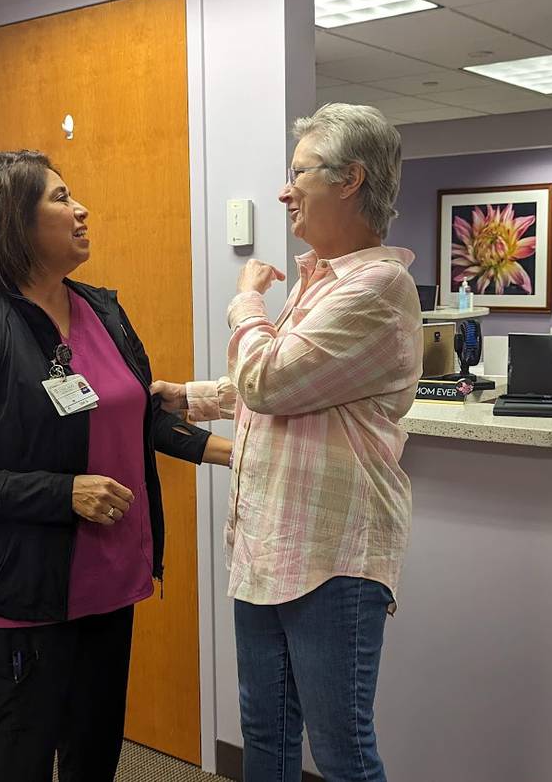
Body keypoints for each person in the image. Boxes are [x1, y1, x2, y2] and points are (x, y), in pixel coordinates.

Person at [0, 150, 232, 782]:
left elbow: (133, 413)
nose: (81, 209)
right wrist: (62, 494)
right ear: (13, 222)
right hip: (21, 594)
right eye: (60, 199)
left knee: (93, 756)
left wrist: (230, 452)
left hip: (109, 580)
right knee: (16, 763)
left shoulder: (102, 310)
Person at [151, 103, 422, 782]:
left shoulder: (378, 286)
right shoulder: (322, 281)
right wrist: (190, 396)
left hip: (331, 559)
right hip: (265, 546)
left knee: (341, 750)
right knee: (265, 737)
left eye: (299, 172)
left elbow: (270, 379)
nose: (284, 190)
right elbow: (290, 386)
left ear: (351, 179)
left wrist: (245, 298)